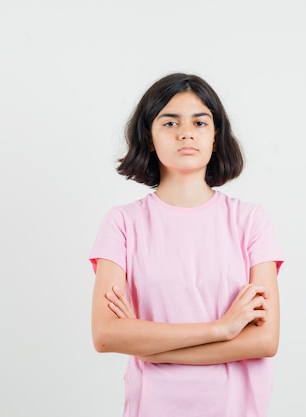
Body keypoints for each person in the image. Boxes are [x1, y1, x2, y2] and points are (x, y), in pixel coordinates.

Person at [88, 72, 284, 417]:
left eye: (200, 121)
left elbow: (264, 341)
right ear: (148, 136)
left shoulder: (250, 221)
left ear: (215, 135)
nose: (186, 132)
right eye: (169, 122)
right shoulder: (123, 223)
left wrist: (151, 348)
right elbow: (106, 334)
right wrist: (222, 329)